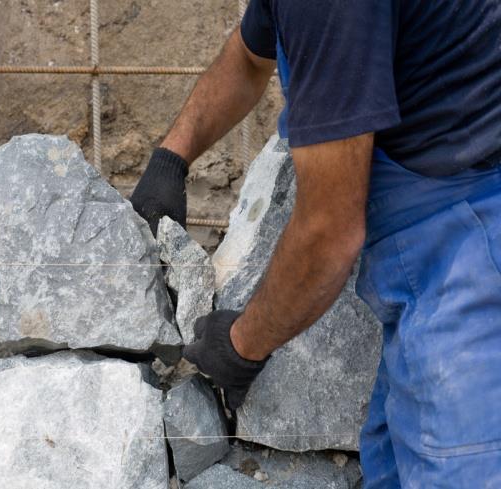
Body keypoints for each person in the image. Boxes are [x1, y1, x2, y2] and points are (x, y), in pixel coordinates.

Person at [130, 1, 501, 487]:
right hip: (432, 240)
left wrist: (241, 345)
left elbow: (329, 233)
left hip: (474, 252)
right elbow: (247, 56)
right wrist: (172, 157)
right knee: (391, 465)